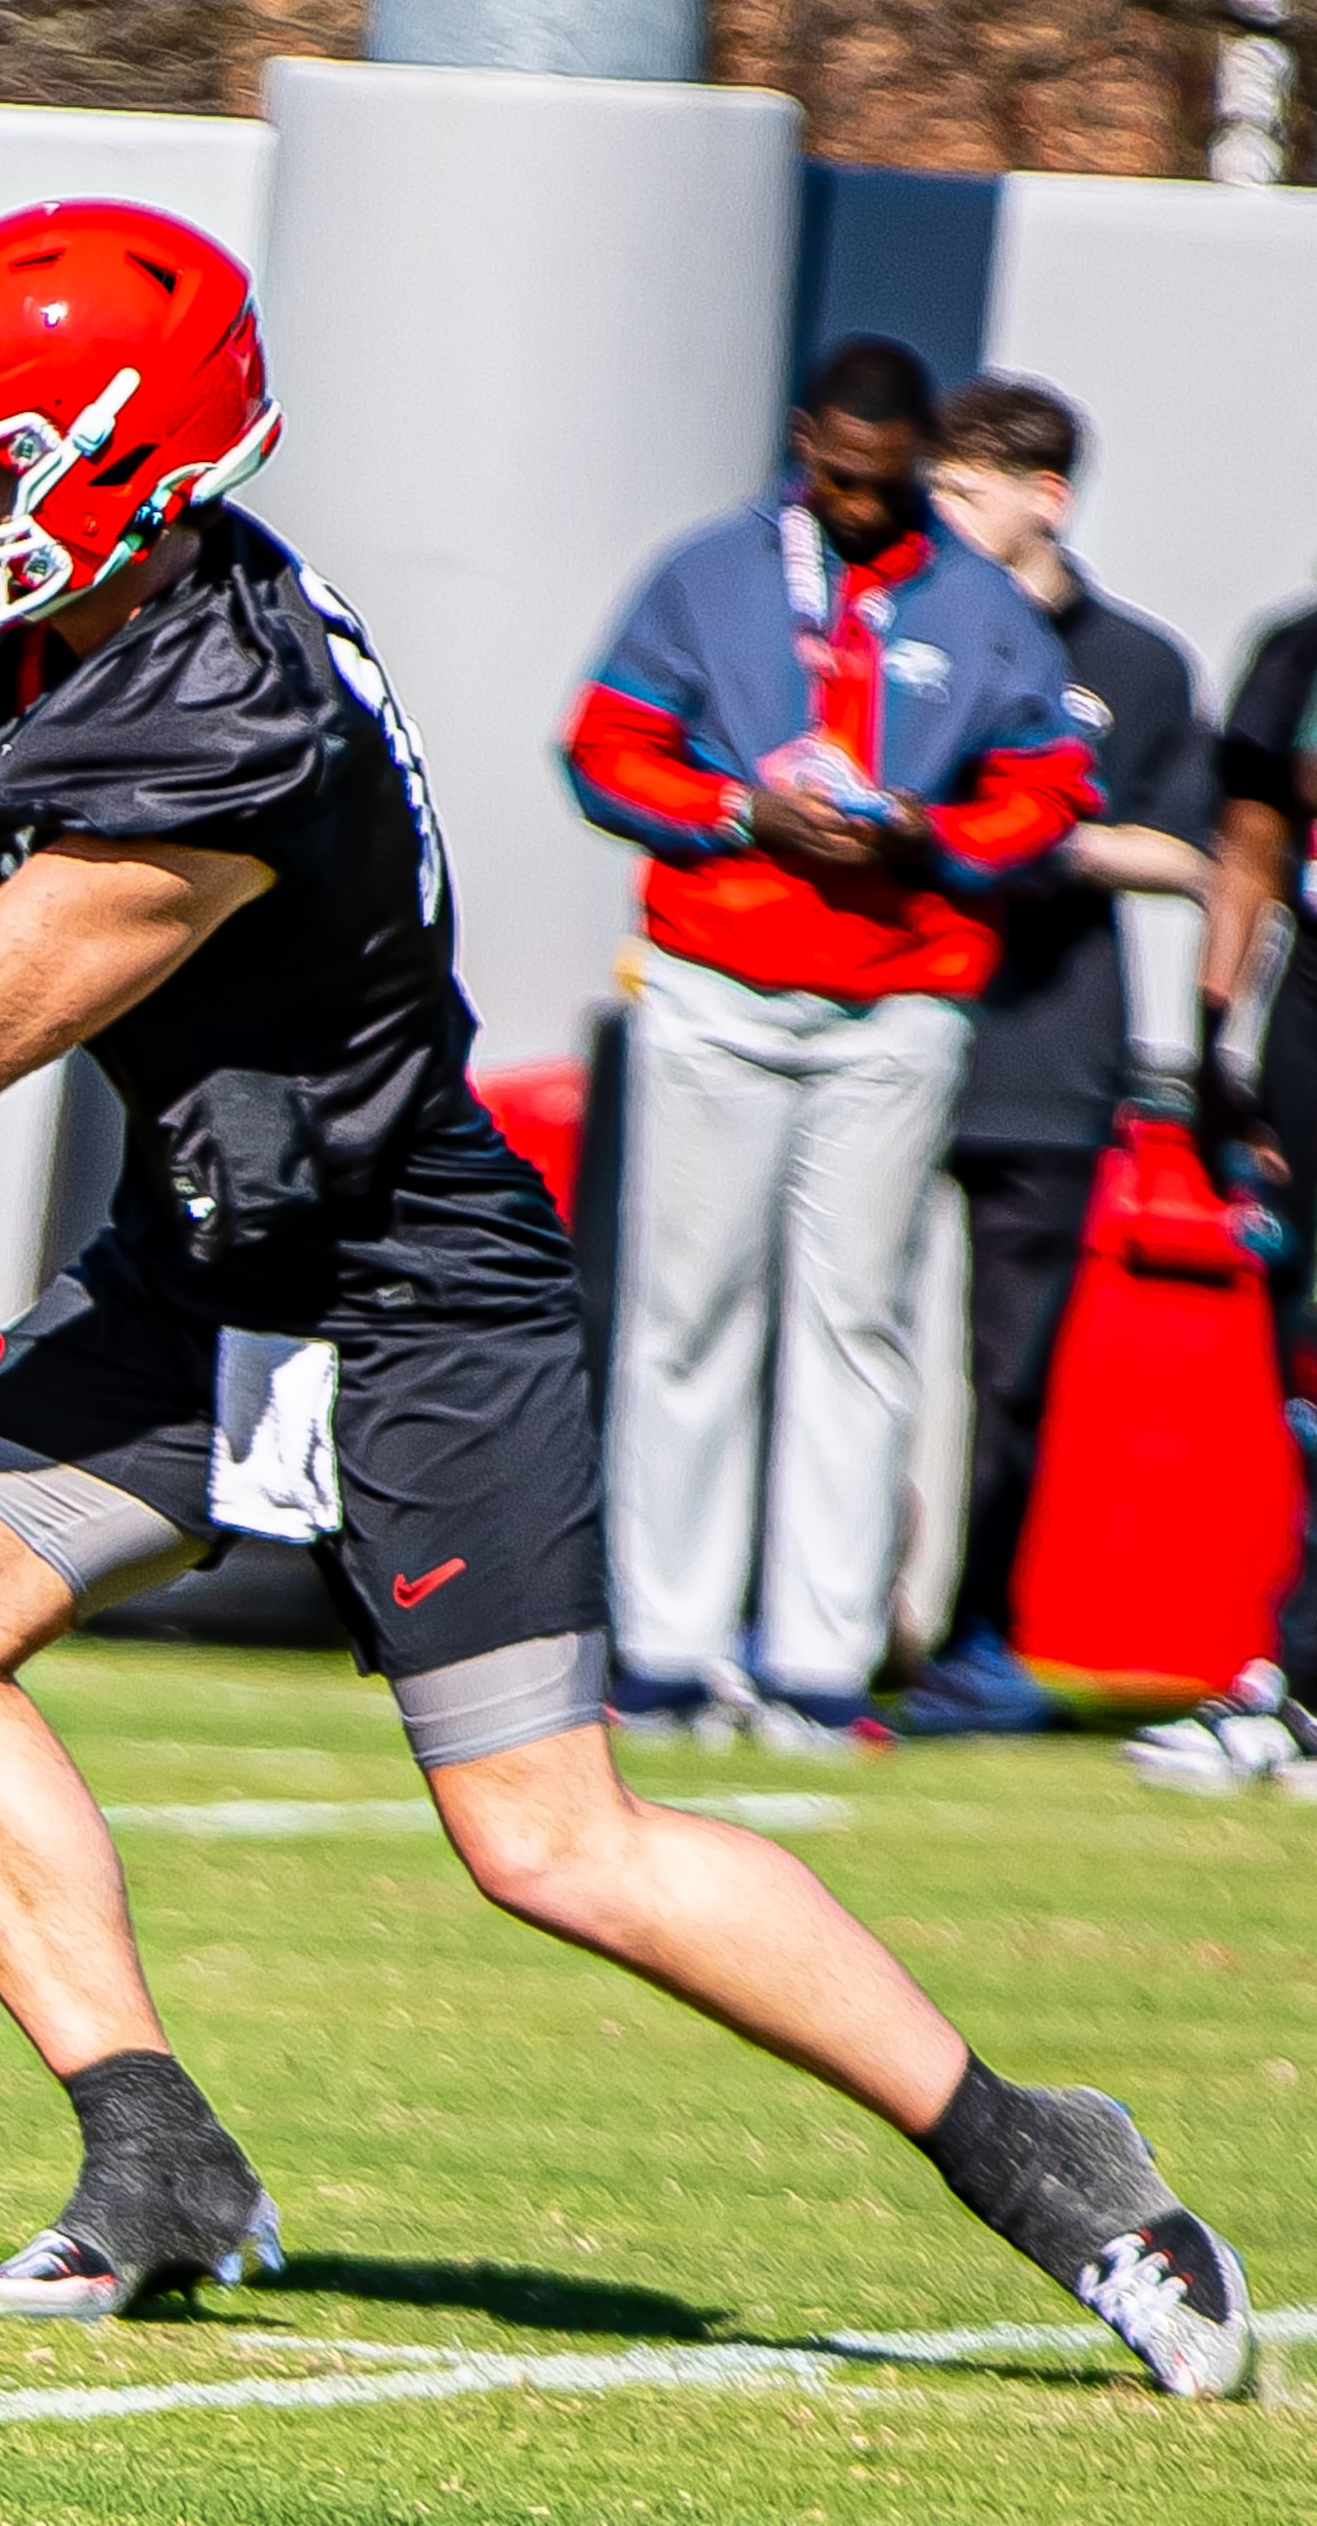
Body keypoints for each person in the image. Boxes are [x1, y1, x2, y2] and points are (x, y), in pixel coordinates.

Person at [0, 202, 1257, 2398]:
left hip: (406, 1278)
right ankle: (154, 2153)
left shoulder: (216, 699)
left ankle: (1048, 2156)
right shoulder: (85, 605)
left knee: (548, 1838)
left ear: (125, 464)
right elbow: (54, 931)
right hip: (213, 1248)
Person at [563, 337, 1097, 1747]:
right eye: (834, 475)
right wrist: (741, 812)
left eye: (882, 481)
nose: (856, 503)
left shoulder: (982, 604)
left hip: (900, 996)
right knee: (690, 1316)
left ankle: (817, 1663)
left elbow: (1048, 791)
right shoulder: (709, 574)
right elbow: (604, 748)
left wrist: (938, 833)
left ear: (920, 459)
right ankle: (668, 1650)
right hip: (714, 983)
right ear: (802, 443)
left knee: (858, 1326)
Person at [906, 376, 1220, 1734]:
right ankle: (800, 1629)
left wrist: (1035, 833)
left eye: (968, 496)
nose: (945, 522)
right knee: (843, 1346)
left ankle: (979, 1639)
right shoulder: (893, 626)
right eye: (935, 495)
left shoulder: (1137, 664)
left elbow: (1192, 853)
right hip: (887, 1021)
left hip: (1047, 1054)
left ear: (1047, 500)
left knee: (1010, 1371)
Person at [1128, 582, 1317, 1788]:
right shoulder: (1300, 650)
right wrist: (1212, 1044)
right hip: (1309, 1020)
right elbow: (1249, 839)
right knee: (1304, 1360)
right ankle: (1299, 1675)